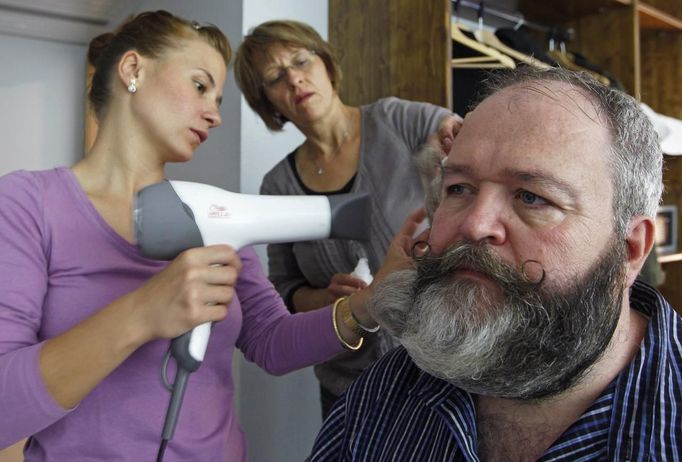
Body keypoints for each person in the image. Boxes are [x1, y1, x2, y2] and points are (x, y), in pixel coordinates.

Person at [0, 10, 389, 462]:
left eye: (219, 99)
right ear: (133, 70)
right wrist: (143, 312)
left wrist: (368, 304)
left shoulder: (210, 214)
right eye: (201, 86)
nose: (215, 116)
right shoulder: (28, 204)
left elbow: (271, 340)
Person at [310, 66, 682, 460]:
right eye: (459, 189)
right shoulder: (385, 395)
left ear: (630, 249)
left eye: (531, 197)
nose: (473, 224)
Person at [233, 20, 461, 417]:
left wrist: (452, 139)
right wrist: (327, 299)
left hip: (436, 370)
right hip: (347, 391)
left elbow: (454, 135)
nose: (295, 79)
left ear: (325, 64)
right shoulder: (278, 186)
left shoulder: (397, 121)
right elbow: (285, 288)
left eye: (302, 61)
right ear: (266, 100)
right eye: (275, 77)